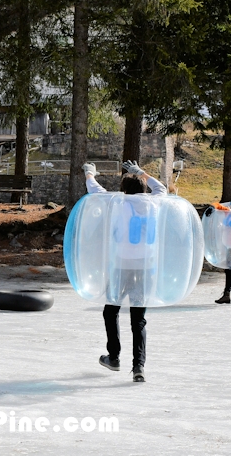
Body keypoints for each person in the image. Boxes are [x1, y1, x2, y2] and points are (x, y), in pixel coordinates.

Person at [84, 160, 166, 383]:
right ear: (142, 189)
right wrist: (141, 173)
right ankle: (138, 366)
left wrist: (89, 173)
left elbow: (95, 190)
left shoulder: (118, 203)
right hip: (145, 269)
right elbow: (161, 189)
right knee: (138, 320)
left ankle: (114, 356)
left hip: (122, 268)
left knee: (111, 311)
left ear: (124, 191)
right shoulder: (153, 203)